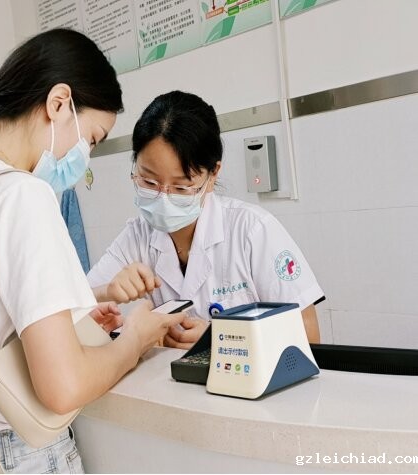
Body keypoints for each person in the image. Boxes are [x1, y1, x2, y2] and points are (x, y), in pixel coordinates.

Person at [0, 29, 185, 474]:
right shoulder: (20, 194)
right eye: (92, 139)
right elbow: (63, 388)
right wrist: (137, 337)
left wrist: (75, 316)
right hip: (13, 457)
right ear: (59, 103)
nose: (84, 157)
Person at [88, 91, 324, 349]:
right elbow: (69, 307)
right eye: (149, 181)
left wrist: (219, 339)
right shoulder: (137, 237)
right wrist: (106, 292)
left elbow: (309, 335)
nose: (163, 198)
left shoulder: (252, 230)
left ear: (212, 175)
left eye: (181, 187)